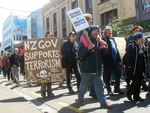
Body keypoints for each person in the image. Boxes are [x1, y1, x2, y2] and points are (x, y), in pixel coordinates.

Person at [78, 25, 112, 109]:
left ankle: (103, 102)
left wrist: (104, 46)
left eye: (98, 31)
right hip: (87, 69)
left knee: (100, 86)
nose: (97, 32)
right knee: (83, 85)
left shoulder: (99, 41)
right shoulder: (84, 40)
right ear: (90, 32)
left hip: (98, 69)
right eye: (95, 30)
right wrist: (87, 49)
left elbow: (103, 54)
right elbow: (79, 53)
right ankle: (80, 97)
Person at [102, 26, 124, 95]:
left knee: (119, 73)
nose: (110, 32)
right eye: (108, 31)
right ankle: (109, 90)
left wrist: (119, 59)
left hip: (115, 60)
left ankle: (116, 88)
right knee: (107, 76)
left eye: (111, 31)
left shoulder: (112, 39)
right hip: (107, 61)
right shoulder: (104, 39)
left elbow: (115, 49)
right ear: (105, 32)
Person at [126, 32, 145, 101]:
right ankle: (129, 93)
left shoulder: (140, 46)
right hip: (133, 67)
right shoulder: (131, 45)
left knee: (139, 82)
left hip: (139, 67)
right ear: (137, 38)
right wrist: (129, 66)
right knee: (136, 81)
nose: (142, 39)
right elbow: (129, 57)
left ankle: (136, 96)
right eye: (141, 38)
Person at [40, 31, 55, 98]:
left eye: (52, 35)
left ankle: (50, 92)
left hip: (51, 63)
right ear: (46, 36)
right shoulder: (42, 42)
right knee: (45, 79)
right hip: (44, 63)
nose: (51, 36)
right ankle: (43, 92)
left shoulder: (53, 43)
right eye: (50, 35)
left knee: (50, 79)